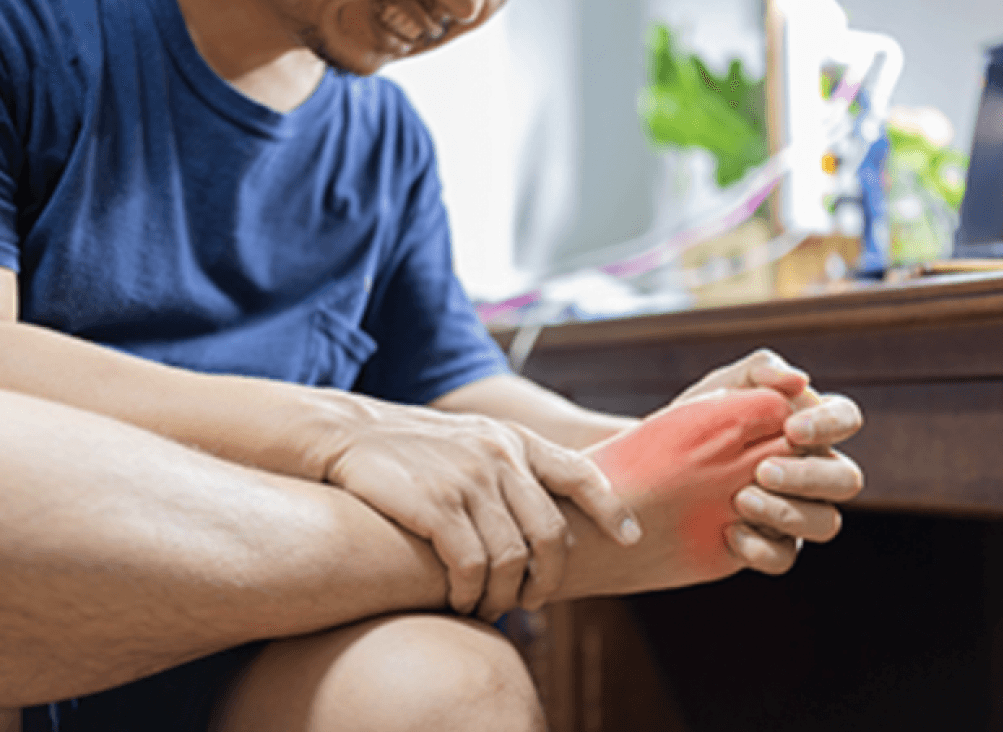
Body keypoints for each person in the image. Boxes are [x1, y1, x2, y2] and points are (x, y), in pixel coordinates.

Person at [0, 0, 864, 730]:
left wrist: (652, 450)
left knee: (452, 687)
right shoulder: (34, 31)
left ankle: (579, 533)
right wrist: (331, 433)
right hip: (54, 589)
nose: (466, 6)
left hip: (261, 643)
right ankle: (566, 551)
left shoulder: (384, 139)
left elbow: (457, 387)